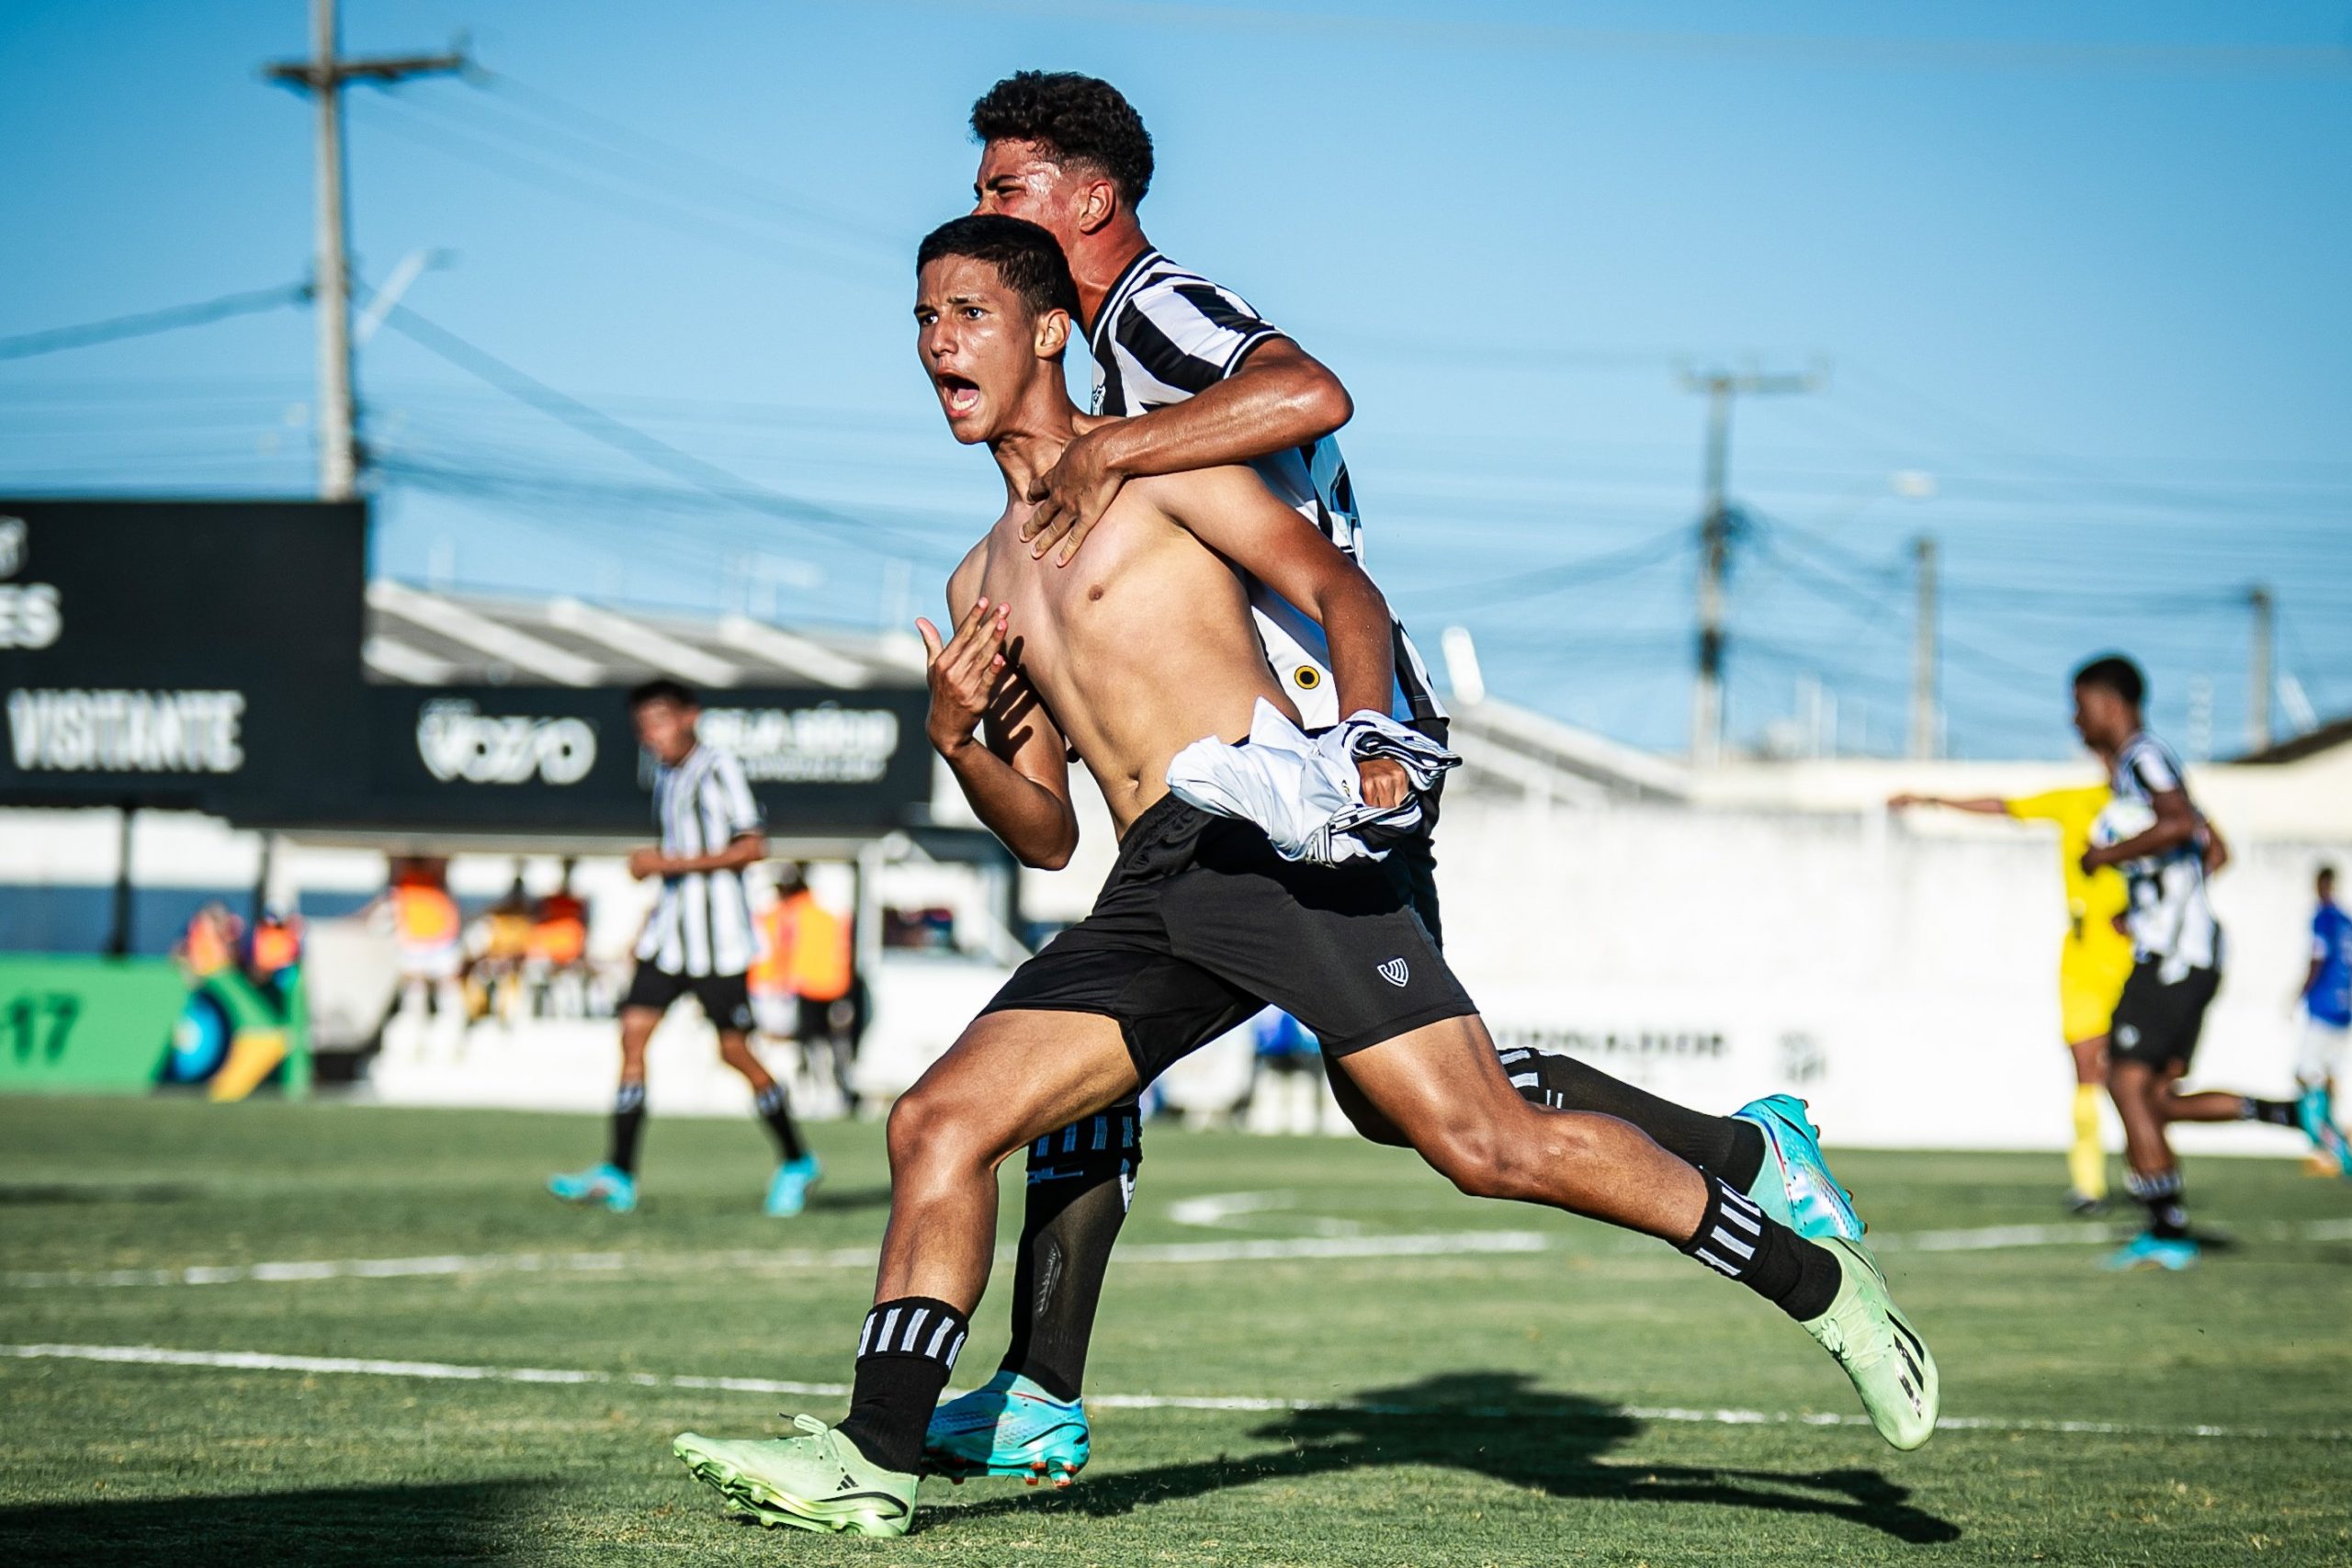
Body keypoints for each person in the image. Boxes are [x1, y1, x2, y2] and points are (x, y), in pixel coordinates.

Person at [667, 216, 1938, 1537]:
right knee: (937, 1120)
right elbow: (1042, 831)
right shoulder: (979, 575)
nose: (939, 343)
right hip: (1151, 884)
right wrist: (955, 735)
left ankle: (1813, 1281)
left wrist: (1369, 739)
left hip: (1274, 849)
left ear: (1050, 329)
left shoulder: (1159, 478)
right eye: (923, 321)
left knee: (1479, 1139)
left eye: (967, 313)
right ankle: (877, 1451)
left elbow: (1343, 587)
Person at [931, 70, 1841, 1484]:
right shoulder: (1101, 360)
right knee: (1355, 1090)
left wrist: (1116, 453)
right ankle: (1041, 1385)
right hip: (1245, 773)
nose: (986, 210)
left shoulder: (1150, 309)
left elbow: (1311, 391)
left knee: (1426, 1104)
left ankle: (1742, 1152)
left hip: (1310, 752)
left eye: (1008, 188)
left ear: (1088, 200)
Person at [2069, 656, 2330, 1270]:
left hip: (2172, 958)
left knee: (2125, 1081)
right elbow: (2214, 848)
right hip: (2186, 949)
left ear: (2109, 703)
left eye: (2080, 704)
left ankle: (2167, 1227)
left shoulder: (2143, 758)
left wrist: (2107, 855)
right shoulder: (2146, 766)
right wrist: (2157, 902)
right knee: (2155, 1096)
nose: (2075, 718)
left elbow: (2183, 823)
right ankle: (2290, 1112)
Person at [548, 680, 820, 1217]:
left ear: (689, 717)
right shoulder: (666, 776)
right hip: (669, 940)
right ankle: (619, 1173)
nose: (651, 735)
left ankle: (796, 1160)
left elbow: (753, 846)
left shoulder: (718, 767)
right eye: (643, 727)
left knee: (734, 1051)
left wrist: (665, 864)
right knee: (632, 1035)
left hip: (718, 945)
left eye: (660, 721)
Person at [1887, 784, 2134, 1213]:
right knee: (2087, 1068)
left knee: (2138, 1074)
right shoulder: (2078, 799)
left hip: (2140, 956)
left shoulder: (2157, 803)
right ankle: (2089, 1185)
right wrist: (1934, 799)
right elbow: (2004, 806)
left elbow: (2207, 848)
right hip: (2082, 956)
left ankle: (2149, 1176)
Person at [2293, 865, 2352, 1169]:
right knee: (2329, 1075)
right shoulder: (2346, 920)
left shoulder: (2324, 917)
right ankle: (2335, 1142)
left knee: (2306, 1074)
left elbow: (2318, 958)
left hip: (2323, 1006)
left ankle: (2328, 1147)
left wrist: (2299, 993)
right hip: (2345, 1009)